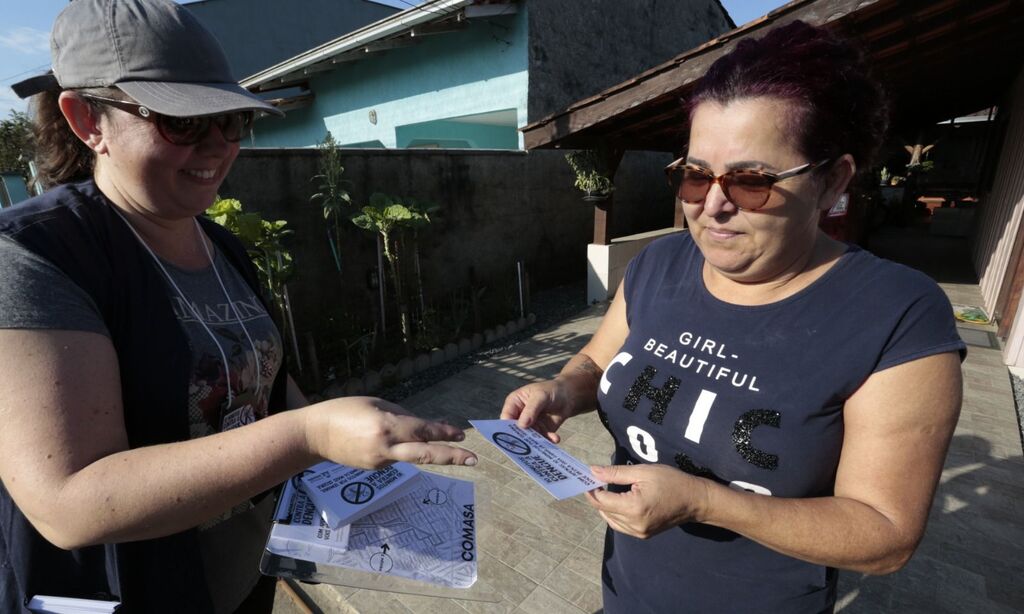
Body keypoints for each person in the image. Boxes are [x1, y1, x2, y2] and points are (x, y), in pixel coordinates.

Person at [0, 1, 476, 612]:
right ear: (87, 119)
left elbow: (269, 387)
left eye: (231, 122)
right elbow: (68, 503)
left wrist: (352, 446)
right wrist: (312, 434)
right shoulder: (37, 256)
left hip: (246, 578)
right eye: (183, 123)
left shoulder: (217, 242)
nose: (218, 147)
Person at [501, 20, 965, 613]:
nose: (713, 205)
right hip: (627, 590)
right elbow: (598, 357)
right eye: (695, 176)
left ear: (833, 182)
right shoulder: (660, 263)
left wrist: (701, 501)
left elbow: (885, 536)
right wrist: (561, 390)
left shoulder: (897, 315)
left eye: (751, 180)